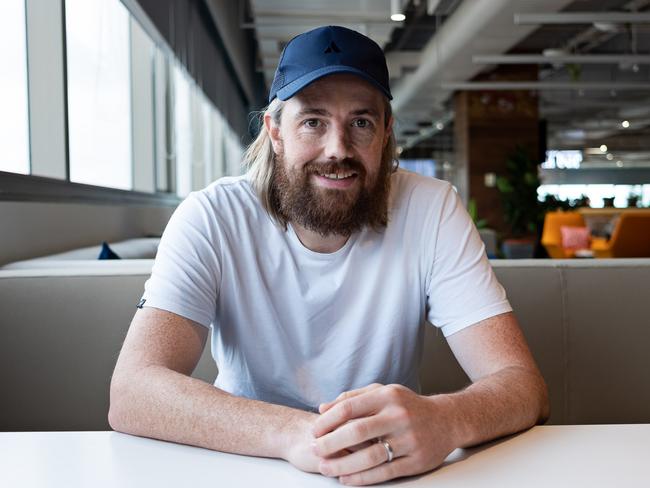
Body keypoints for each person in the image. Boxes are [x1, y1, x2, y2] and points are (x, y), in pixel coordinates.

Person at [109, 25, 549, 486]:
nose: (338, 149)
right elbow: (133, 391)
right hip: (244, 464)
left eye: (361, 122)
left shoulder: (432, 208)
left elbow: (524, 385)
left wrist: (446, 419)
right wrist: (297, 434)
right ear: (275, 131)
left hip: (389, 470)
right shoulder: (212, 216)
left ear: (385, 133)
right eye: (313, 121)